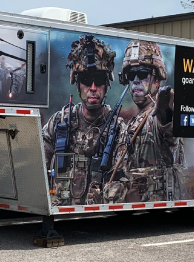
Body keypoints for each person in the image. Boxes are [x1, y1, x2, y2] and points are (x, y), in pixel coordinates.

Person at [42, 35, 124, 206]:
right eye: (86, 80)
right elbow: (37, 166)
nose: (93, 88)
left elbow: (123, 181)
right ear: (78, 84)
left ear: (106, 84)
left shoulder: (117, 129)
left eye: (99, 80)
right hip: (60, 215)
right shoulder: (59, 122)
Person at [101, 40, 186, 203]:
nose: (136, 81)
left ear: (157, 79)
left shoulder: (156, 117)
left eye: (142, 74)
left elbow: (167, 129)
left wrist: (165, 113)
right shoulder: (130, 123)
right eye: (131, 76)